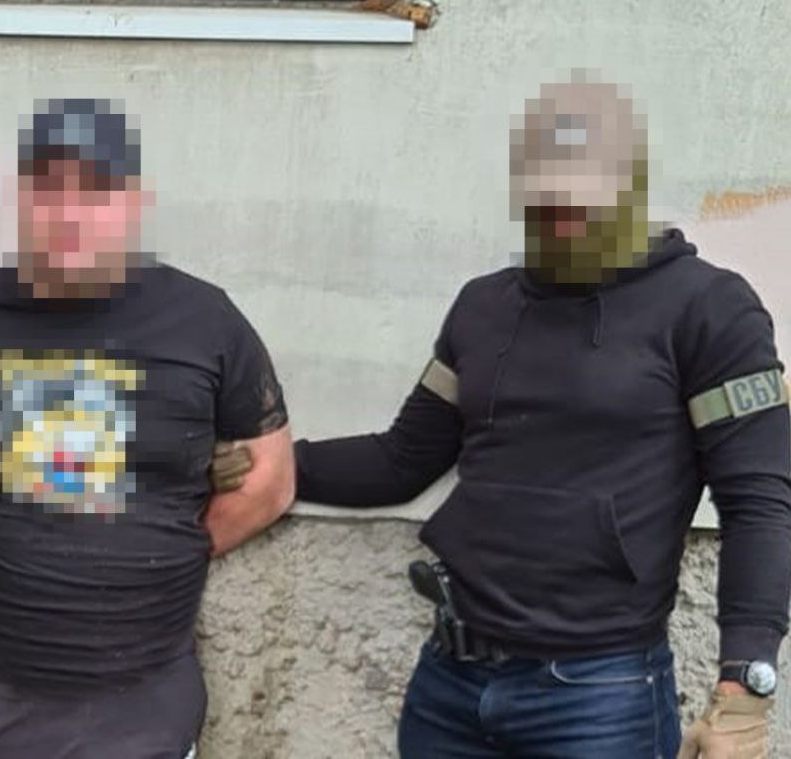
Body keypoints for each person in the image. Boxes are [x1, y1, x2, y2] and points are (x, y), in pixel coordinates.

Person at [295, 77, 791, 758]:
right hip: (448, 687)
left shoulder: (709, 310)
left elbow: (759, 501)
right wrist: (270, 461)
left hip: (598, 698)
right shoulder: (484, 307)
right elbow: (402, 458)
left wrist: (745, 690)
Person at [0, 99, 294, 759]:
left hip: (148, 710)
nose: (71, 213)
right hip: (3, 710)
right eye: (49, 190)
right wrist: (2, 554)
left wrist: (171, 556)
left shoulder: (205, 320)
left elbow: (269, 481)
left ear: (134, 202)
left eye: (96, 191)